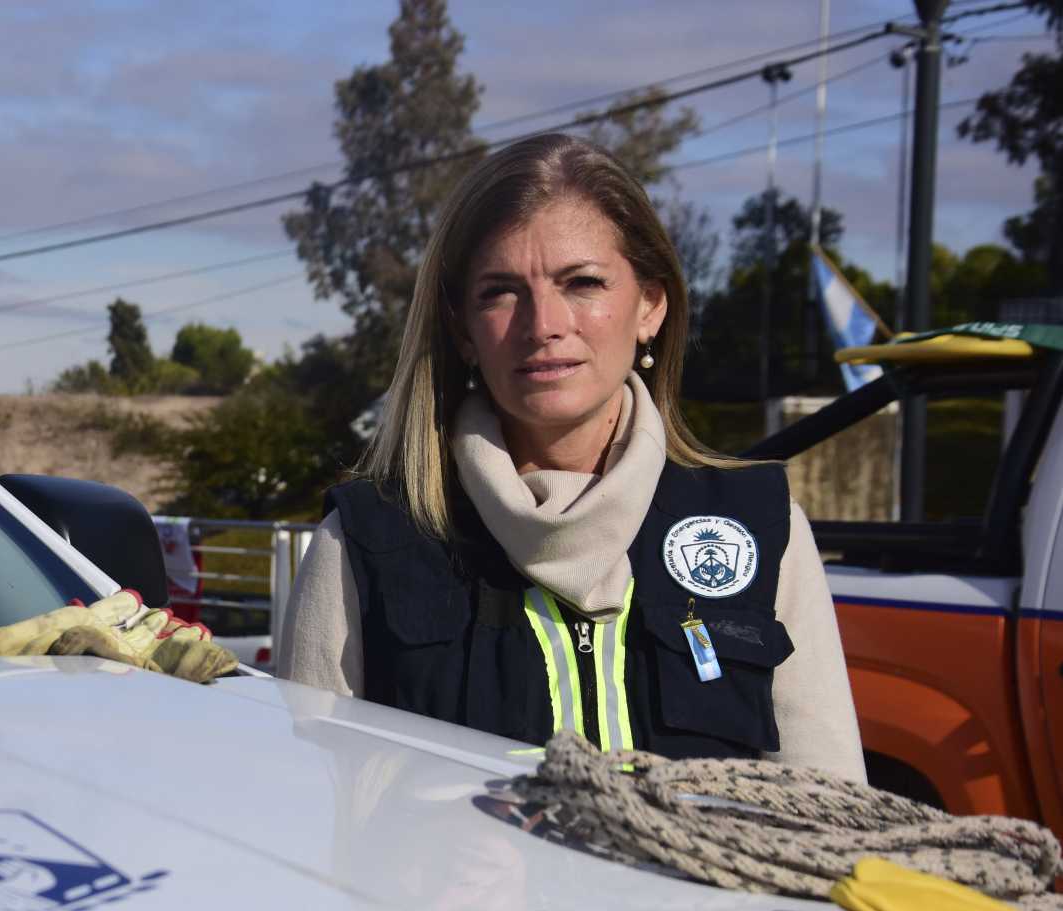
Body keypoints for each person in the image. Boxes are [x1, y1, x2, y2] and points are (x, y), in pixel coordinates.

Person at [279, 134, 865, 778]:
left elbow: (830, 816)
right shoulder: (366, 540)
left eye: (582, 282)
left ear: (651, 304)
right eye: (501, 291)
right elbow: (314, 821)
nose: (543, 324)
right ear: (461, 330)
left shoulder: (762, 528)